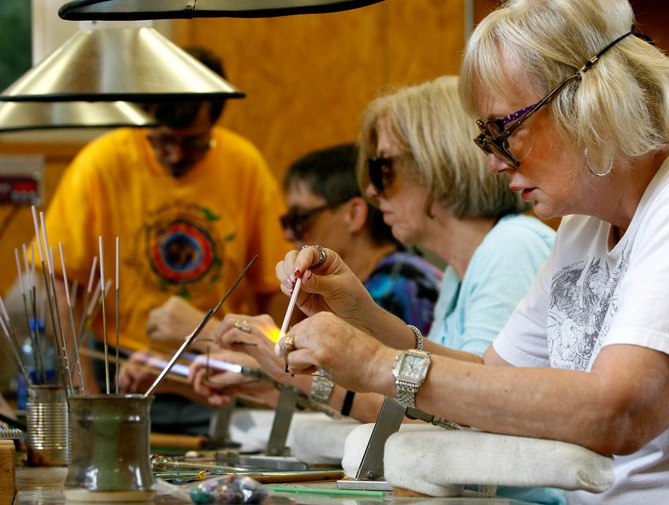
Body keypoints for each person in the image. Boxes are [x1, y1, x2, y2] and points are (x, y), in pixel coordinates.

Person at [231, 0, 669, 503]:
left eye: (504, 132)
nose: (493, 165)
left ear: (588, 99)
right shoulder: (586, 223)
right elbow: (490, 386)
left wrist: (380, 366)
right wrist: (361, 315)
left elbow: (619, 413)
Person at [202, 77, 560, 503]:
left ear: (437, 163)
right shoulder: (458, 275)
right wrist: (279, 370)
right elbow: (425, 405)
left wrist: (294, 370)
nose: (371, 191)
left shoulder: (510, 246)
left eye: (382, 169)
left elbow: (472, 416)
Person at [42, 46, 293, 433]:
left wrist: (266, 368)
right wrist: (85, 403)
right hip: (117, 365)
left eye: (193, 142)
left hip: (216, 365)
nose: (175, 155)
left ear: (215, 120)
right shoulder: (100, 164)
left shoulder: (244, 165)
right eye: (159, 141)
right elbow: (60, 288)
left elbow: (274, 288)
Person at [281, 143, 441, 335]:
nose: (289, 234)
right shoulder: (380, 279)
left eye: (300, 218)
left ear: (354, 214)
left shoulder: (398, 286)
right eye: (287, 222)